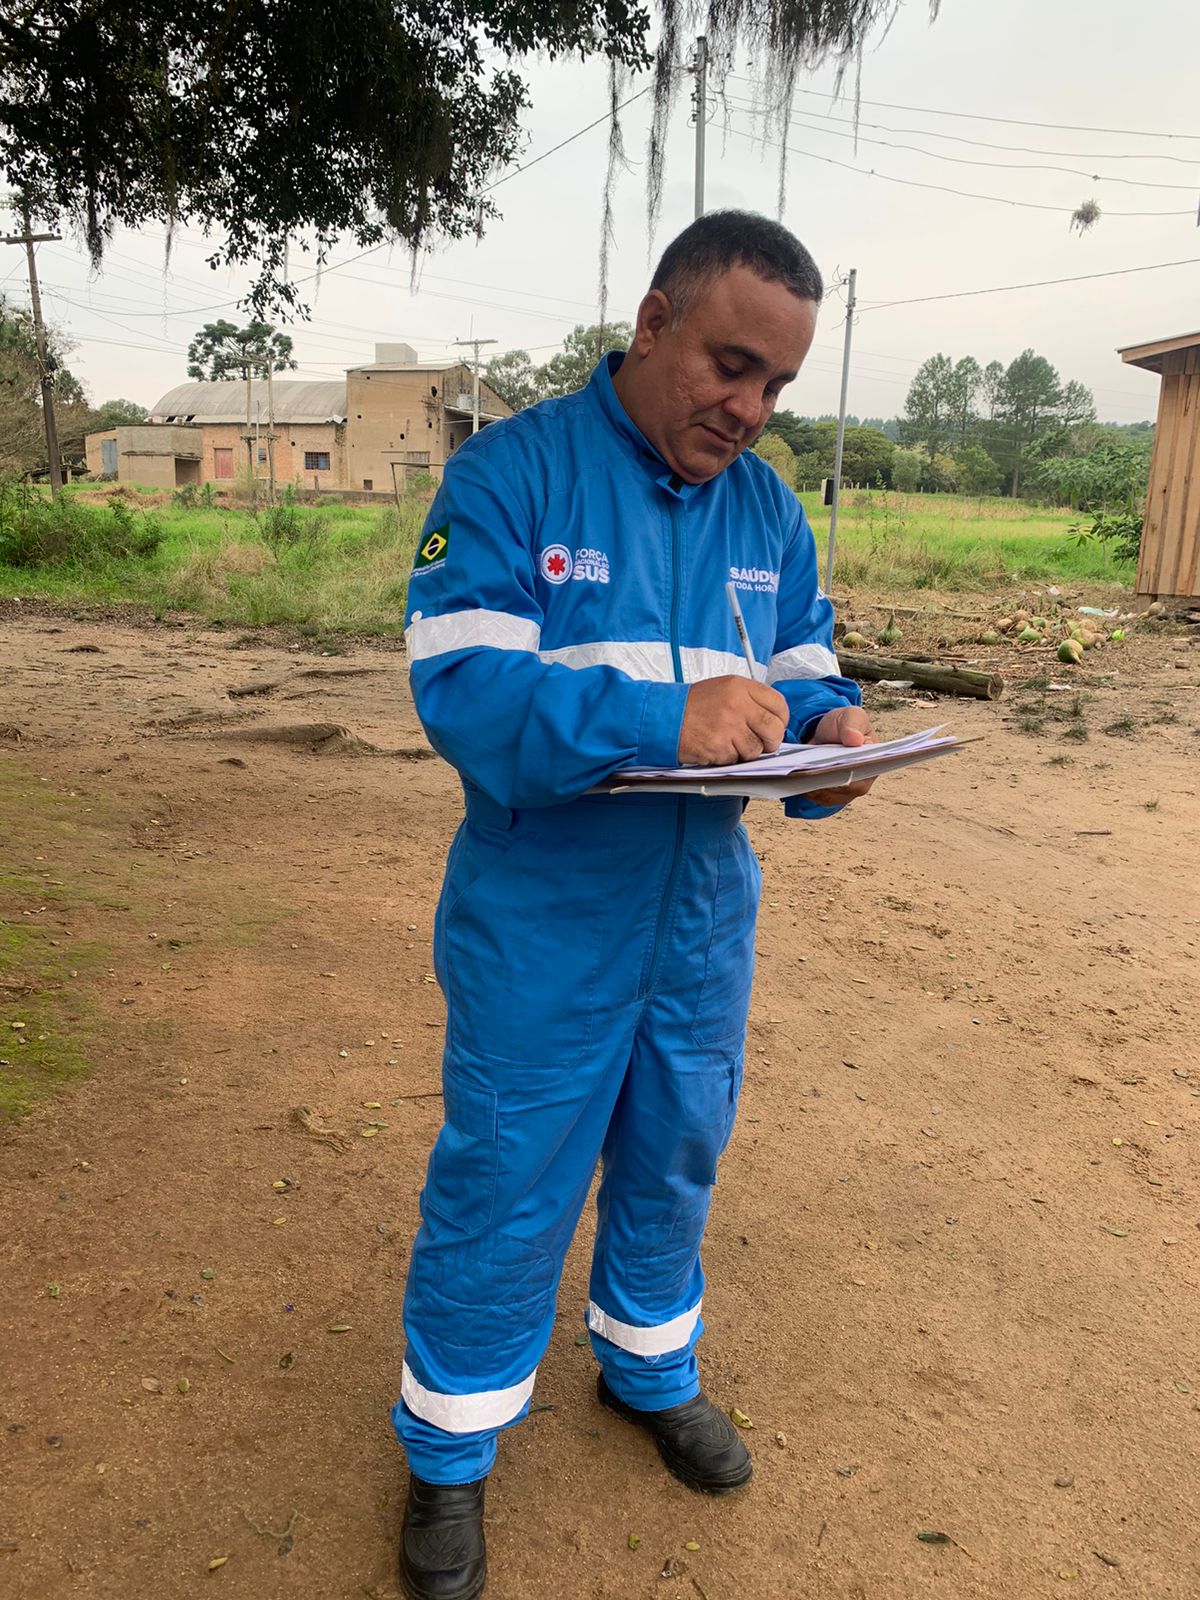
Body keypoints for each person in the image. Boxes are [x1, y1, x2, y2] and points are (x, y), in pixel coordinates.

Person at [393, 209, 875, 1600]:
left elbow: (801, 669)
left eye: (778, 385)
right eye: (731, 365)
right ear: (655, 321)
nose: (750, 408)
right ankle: (448, 1455)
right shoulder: (510, 476)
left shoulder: (767, 510)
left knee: (675, 1149)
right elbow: (467, 697)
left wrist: (832, 740)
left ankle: (648, 1368)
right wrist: (667, 717)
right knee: (507, 1172)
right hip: (544, 913)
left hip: (701, 915)